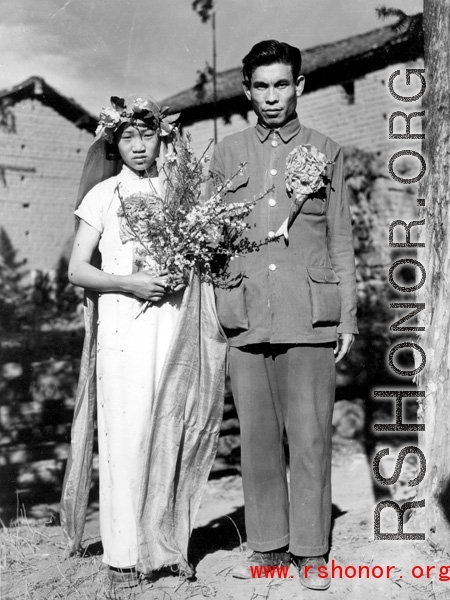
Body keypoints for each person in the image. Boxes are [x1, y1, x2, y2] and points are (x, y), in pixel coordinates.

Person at [207, 40, 358, 591]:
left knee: (312, 436)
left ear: (299, 86)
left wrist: (348, 316)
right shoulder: (225, 153)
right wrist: (218, 303)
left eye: (282, 84)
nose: (272, 97)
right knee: (259, 438)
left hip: (310, 314)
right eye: (261, 86)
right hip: (247, 314)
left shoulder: (327, 150)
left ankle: (312, 550)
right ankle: (269, 544)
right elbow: (209, 239)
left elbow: (340, 236)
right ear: (247, 91)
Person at [60, 95, 227, 586]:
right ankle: (123, 557)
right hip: (121, 328)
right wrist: (128, 283)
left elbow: (203, 253)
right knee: (127, 438)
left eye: (147, 135)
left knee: (171, 430)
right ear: (115, 142)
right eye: (127, 137)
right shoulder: (104, 195)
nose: (138, 146)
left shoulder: (182, 195)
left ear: (163, 137)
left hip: (172, 328)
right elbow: (77, 269)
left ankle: (167, 547)